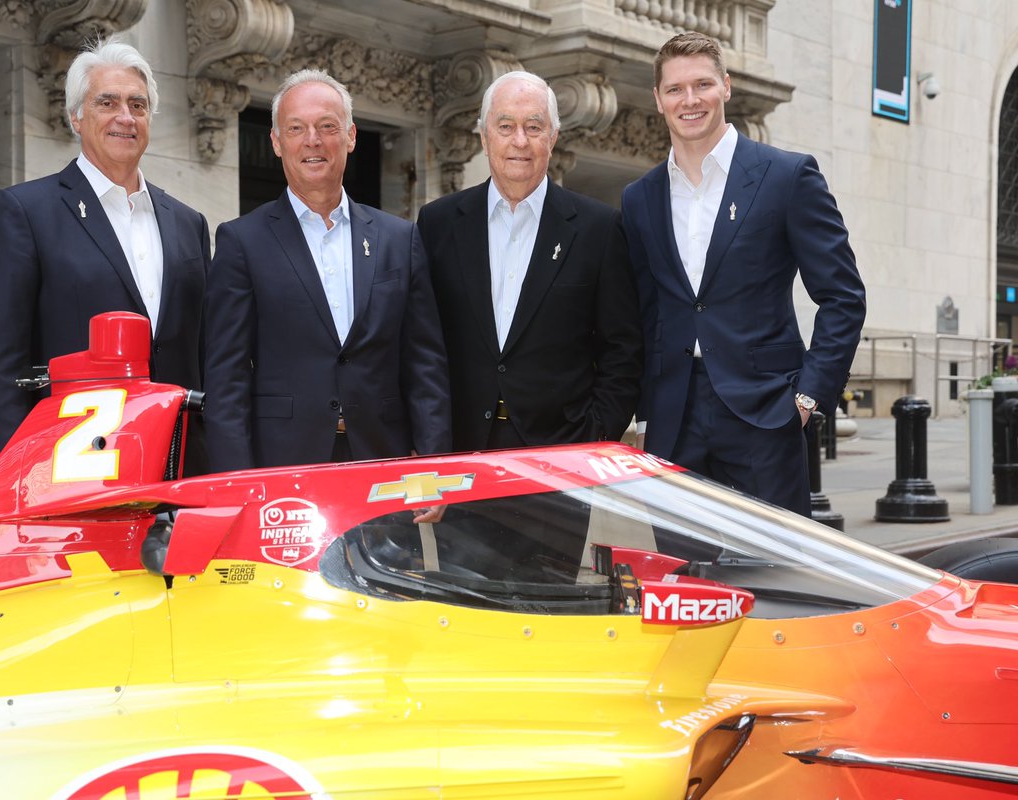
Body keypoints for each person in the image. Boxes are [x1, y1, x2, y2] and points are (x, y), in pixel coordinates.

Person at [622, 32, 866, 516]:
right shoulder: (639, 197)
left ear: (726, 87)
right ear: (657, 98)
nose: (689, 100)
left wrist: (808, 397)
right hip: (674, 419)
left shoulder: (787, 177)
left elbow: (843, 296)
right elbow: (646, 310)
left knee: (773, 575)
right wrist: (647, 409)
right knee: (684, 575)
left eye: (702, 85)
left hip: (766, 413)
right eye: (675, 89)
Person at [0, 38, 211, 476]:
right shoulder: (25, 212)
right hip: (70, 465)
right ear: (76, 117)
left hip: (179, 466)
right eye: (108, 102)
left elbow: (207, 353)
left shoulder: (188, 223)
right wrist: (16, 474)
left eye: (138, 105)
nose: (125, 117)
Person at [203, 70, 451, 482]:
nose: (312, 140)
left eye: (327, 127)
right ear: (277, 143)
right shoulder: (241, 241)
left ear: (351, 136)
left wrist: (433, 462)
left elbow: (425, 361)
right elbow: (225, 377)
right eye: (296, 128)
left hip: (383, 460)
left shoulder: (400, 238)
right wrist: (234, 482)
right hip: (281, 465)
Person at [417, 71, 643, 454]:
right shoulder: (437, 223)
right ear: (484, 136)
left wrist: (596, 435)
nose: (519, 140)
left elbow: (623, 349)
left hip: (563, 457)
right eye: (505, 126)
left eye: (533, 126)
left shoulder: (599, 229)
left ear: (552, 137)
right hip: (460, 450)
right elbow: (421, 343)